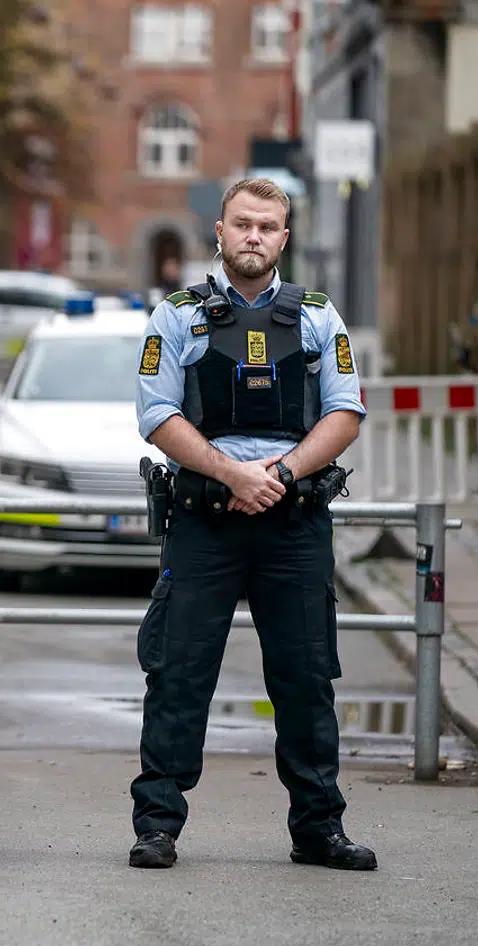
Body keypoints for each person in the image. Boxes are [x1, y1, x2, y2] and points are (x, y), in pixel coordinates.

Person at [129, 177, 375, 872]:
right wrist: (234, 475)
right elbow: (156, 415)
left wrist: (281, 476)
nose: (254, 237)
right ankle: (157, 825)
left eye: (267, 227)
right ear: (219, 230)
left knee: (305, 678)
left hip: (293, 522)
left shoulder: (320, 317)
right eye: (242, 224)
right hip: (204, 520)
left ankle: (318, 828)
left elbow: (345, 414)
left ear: (285, 239)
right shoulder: (176, 316)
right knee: (178, 673)